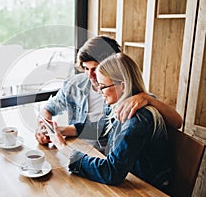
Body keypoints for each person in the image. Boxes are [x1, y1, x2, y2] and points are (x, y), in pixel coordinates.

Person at [47, 53, 172, 191]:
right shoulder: (120, 106)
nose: (100, 92)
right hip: (130, 181)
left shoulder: (137, 119)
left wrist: (64, 149)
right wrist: (63, 130)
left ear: (122, 86)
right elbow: (103, 127)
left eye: (103, 86)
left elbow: (111, 172)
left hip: (147, 190)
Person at [36, 36, 182, 145]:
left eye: (95, 69)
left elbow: (177, 122)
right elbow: (48, 109)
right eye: (86, 69)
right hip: (78, 148)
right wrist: (45, 129)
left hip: (107, 158)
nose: (90, 75)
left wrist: (148, 99)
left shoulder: (129, 97)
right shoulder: (74, 85)